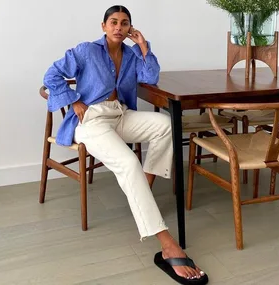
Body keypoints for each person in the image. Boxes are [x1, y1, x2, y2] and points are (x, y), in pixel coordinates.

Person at [43, 5, 208, 284]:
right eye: (113, 22)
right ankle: (167, 245)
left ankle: (142, 187)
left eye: (124, 23)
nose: (119, 27)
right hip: (92, 120)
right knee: (129, 162)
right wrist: (74, 100)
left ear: (130, 28)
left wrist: (144, 46)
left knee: (166, 126)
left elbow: (150, 77)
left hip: (121, 114)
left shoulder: (131, 54)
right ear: (104, 26)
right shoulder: (86, 50)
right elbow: (50, 76)